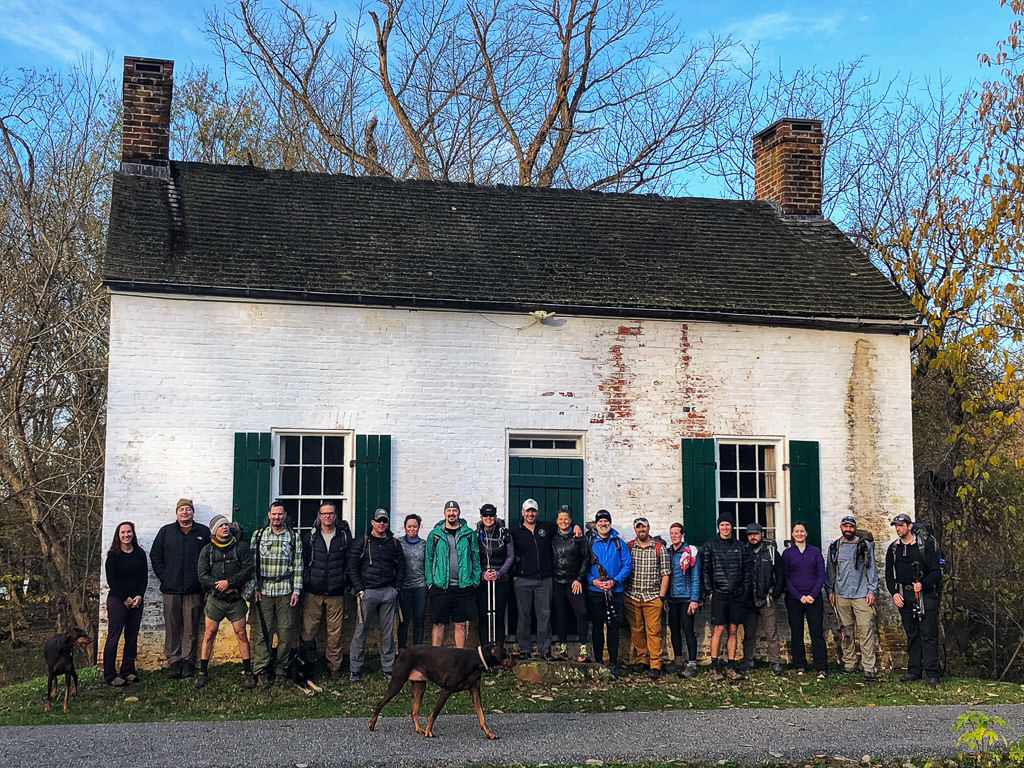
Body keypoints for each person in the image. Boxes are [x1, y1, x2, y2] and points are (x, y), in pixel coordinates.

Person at [149, 498, 210, 679]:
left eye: (188, 509)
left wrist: (203, 581)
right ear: (177, 513)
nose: (185, 512)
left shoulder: (203, 532)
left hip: (194, 589)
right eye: (182, 509)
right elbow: (155, 555)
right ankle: (174, 661)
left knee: (191, 627)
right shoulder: (166, 532)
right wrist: (164, 576)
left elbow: (209, 557)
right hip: (171, 589)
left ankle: (188, 660)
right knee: (172, 626)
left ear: (193, 512)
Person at [195, 515, 255, 689]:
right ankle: (203, 672)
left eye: (226, 524)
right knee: (209, 633)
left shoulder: (240, 547)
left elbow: (248, 569)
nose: (225, 527)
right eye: (221, 525)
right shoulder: (207, 550)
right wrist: (218, 586)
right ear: (214, 530)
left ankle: (248, 671)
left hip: (235, 599)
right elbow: (202, 575)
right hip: (215, 599)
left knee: (241, 633)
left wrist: (230, 583)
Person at [249, 500, 303, 687]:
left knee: (285, 631)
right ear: (269, 514)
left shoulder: (293, 537)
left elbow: (298, 565)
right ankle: (261, 670)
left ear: (284, 515)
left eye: (280, 514)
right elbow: (252, 565)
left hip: (285, 590)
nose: (277, 517)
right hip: (263, 590)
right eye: (274, 513)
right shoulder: (259, 535)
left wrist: (296, 590)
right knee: (263, 632)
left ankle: (281, 668)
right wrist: (254, 588)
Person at [347, 508, 405, 682]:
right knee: (360, 632)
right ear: (372, 522)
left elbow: (402, 567)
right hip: (368, 592)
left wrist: (396, 589)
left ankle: (388, 668)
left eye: (384, 521)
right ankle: (355, 669)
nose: (381, 524)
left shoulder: (393, 543)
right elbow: (352, 567)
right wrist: (360, 589)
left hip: (388, 592)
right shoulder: (362, 542)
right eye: (378, 521)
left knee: (388, 633)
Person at [884, 512, 942, 687]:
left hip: (925, 595)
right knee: (912, 633)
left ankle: (932, 672)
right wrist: (894, 592)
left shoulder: (925, 546)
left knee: (928, 633)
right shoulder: (894, 549)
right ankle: (914, 670)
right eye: (896, 526)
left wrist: (923, 584)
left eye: (901, 525)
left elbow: (935, 572)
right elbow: (889, 574)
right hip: (905, 595)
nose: (898, 529)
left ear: (910, 526)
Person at [300, 501, 353, 680]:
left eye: (331, 513)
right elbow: (303, 560)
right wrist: (307, 580)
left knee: (334, 633)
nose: (328, 516)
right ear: (319, 516)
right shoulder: (311, 537)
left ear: (335, 515)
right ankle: (307, 665)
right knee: (309, 631)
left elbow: (349, 561)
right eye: (324, 513)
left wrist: (344, 580)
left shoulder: (344, 536)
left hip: (336, 591)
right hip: (313, 591)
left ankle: (334, 667)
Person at [825, 514, 879, 682]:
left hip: (862, 594)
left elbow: (871, 569)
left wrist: (872, 590)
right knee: (846, 631)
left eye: (851, 526)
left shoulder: (865, 546)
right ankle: (849, 663)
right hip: (841, 594)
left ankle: (869, 667)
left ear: (854, 528)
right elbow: (830, 570)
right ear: (841, 527)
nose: (848, 529)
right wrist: (830, 590)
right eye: (845, 526)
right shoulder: (835, 546)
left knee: (866, 630)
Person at [700, 514, 753, 681]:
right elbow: (706, 570)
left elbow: (747, 570)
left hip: (737, 594)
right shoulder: (710, 546)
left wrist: (744, 589)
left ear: (732, 527)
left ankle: (730, 666)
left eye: (728, 525)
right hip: (719, 594)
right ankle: (713, 667)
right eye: (722, 525)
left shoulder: (740, 546)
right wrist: (710, 591)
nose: (725, 528)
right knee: (718, 630)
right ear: (718, 527)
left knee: (733, 630)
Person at [425, 500, 481, 648]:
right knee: (438, 623)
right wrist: (430, 582)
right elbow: (429, 559)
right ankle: (435, 658)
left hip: (463, 586)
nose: (452, 513)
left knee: (461, 623)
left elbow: (475, 557)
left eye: (454, 511)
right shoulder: (435, 535)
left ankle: (459, 657)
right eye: (449, 511)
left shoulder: (469, 534)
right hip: (440, 586)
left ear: (459, 513)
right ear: (444, 513)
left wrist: (475, 580)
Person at [585, 509, 632, 679]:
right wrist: (593, 581)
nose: (603, 524)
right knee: (597, 627)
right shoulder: (589, 542)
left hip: (615, 592)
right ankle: (598, 661)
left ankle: (613, 662)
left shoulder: (619, 543)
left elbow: (627, 566)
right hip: (595, 591)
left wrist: (615, 581)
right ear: (596, 524)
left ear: (610, 523)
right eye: (600, 521)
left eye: (606, 521)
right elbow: (582, 564)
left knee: (613, 628)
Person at [624, 516, 671, 679]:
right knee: (637, 630)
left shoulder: (659, 548)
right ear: (635, 529)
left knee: (654, 631)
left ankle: (655, 663)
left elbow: (665, 573)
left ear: (648, 528)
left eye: (643, 527)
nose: (641, 530)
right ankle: (641, 659)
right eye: (638, 527)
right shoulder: (629, 547)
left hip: (652, 596)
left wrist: (661, 596)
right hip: (632, 595)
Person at [510, 498, 557, 660]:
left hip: (544, 580)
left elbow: (565, 528)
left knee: (544, 615)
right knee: (523, 616)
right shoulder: (515, 533)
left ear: (537, 512)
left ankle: (545, 650)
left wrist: (577, 527)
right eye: (528, 511)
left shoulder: (547, 528)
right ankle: (524, 649)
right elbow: (509, 555)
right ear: (522, 512)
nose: (530, 514)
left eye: (533, 511)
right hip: (523, 580)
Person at [103, 521, 147, 686]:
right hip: (117, 600)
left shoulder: (140, 554)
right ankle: (110, 675)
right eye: (123, 532)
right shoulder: (113, 555)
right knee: (113, 637)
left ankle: (128, 670)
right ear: (118, 535)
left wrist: (139, 596)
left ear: (133, 534)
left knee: (131, 636)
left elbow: (143, 577)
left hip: (136, 601)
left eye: (129, 532)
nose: (126, 535)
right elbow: (111, 580)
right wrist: (125, 598)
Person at [782, 520, 828, 678]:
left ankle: (821, 666)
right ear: (793, 534)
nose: (799, 534)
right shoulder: (787, 554)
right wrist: (799, 596)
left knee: (816, 632)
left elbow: (821, 575)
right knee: (797, 632)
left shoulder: (815, 552)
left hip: (813, 598)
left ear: (806, 533)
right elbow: (786, 577)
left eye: (802, 531)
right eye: (796, 531)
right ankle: (800, 664)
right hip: (795, 598)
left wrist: (812, 595)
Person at [741, 522, 785, 675]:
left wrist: (775, 593)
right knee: (749, 633)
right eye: (750, 534)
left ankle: (775, 662)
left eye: (756, 534)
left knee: (771, 632)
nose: (753, 537)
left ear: (762, 534)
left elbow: (780, 575)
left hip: (767, 598)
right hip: (748, 600)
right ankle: (748, 660)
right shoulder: (744, 552)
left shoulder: (771, 552)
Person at [551, 505, 590, 661]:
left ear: (571, 520)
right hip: (557, 581)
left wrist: (579, 578)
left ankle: (583, 649)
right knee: (561, 615)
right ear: (556, 521)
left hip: (574, 581)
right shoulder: (552, 537)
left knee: (582, 613)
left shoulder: (579, 538)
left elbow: (586, 558)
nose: (563, 521)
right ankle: (563, 650)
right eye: (561, 519)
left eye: (566, 518)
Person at [476, 503, 514, 648]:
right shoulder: (476, 534)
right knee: (483, 615)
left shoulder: (504, 533)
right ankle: (485, 649)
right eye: (485, 515)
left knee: (498, 615)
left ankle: (498, 648)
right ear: (481, 517)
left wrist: (499, 573)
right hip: (483, 579)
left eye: (491, 515)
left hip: (500, 578)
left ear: (495, 516)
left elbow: (510, 556)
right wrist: (482, 573)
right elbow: (473, 556)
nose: (488, 518)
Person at [665, 522, 700, 678]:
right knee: (674, 630)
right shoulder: (668, 552)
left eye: (677, 533)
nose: (674, 536)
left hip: (686, 598)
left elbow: (696, 576)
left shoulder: (690, 552)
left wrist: (694, 599)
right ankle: (678, 660)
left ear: (682, 534)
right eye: (672, 533)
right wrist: (665, 597)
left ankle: (692, 663)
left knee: (688, 630)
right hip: (672, 598)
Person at [397, 513, 427, 649]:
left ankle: (418, 650)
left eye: (415, 526)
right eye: (409, 526)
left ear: (418, 528)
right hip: (404, 587)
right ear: (404, 527)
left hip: (420, 586)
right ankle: (402, 650)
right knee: (404, 620)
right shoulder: (398, 543)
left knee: (419, 619)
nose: (412, 529)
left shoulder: (424, 545)